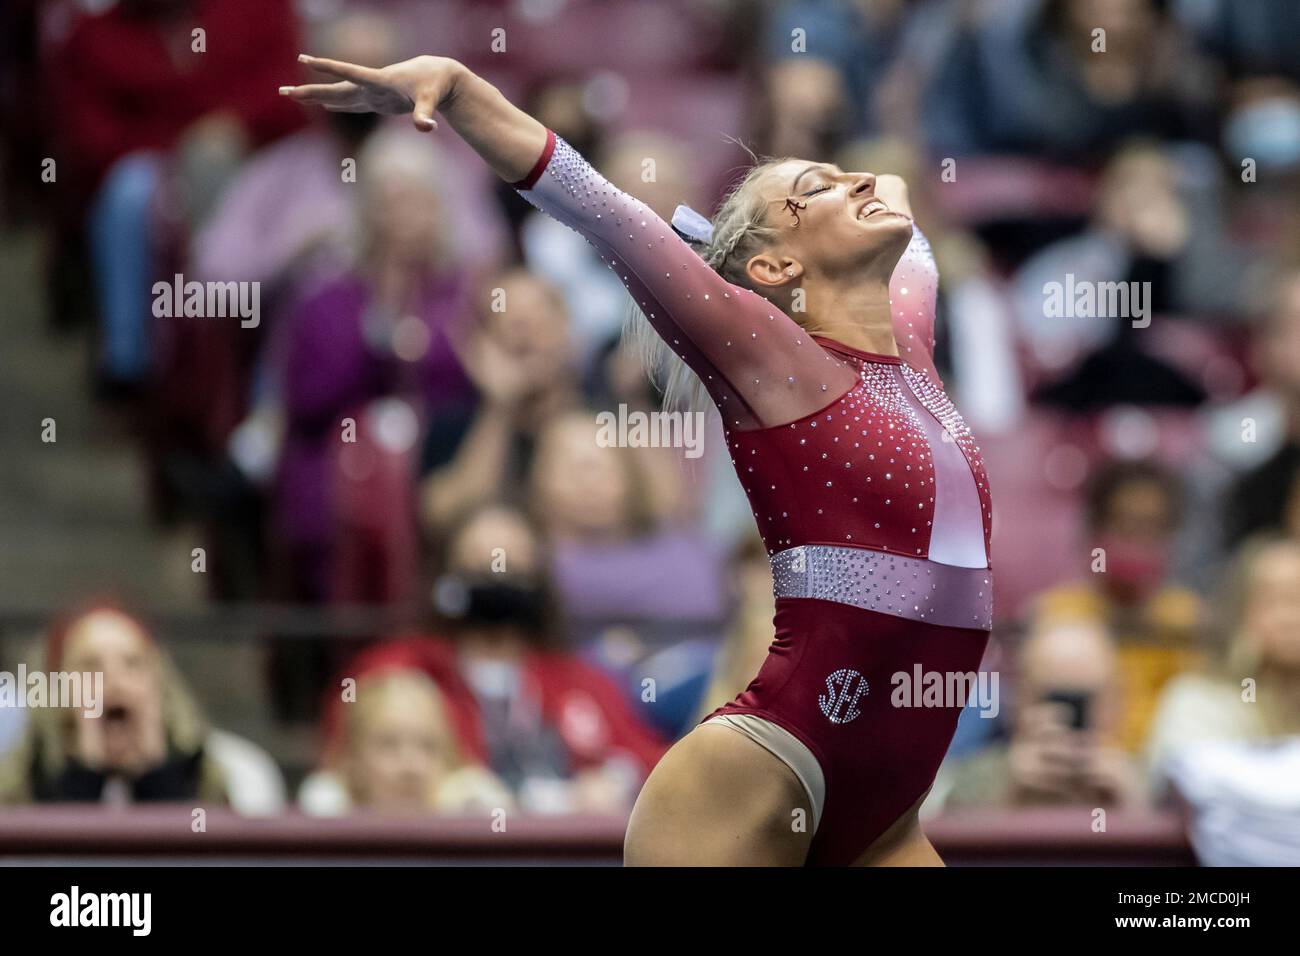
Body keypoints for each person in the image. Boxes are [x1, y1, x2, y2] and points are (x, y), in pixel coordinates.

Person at [280, 49, 994, 866]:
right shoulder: (767, 354)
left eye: (841, 174)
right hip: (769, 759)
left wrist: (816, 181)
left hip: (889, 801)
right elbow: (604, 212)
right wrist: (465, 89)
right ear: (773, 268)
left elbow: (899, 195)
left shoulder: (911, 327)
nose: (859, 184)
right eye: (814, 192)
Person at [0, 602, 284, 813]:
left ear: (160, 681)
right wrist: (87, 773)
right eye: (90, 665)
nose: (113, 681)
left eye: (132, 663)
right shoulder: (25, 772)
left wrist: (156, 773)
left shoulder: (208, 770)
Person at [936, 618, 1144, 810]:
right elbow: (942, 842)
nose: (1069, 718)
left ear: (1117, 702)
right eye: (1056, 699)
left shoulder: (1146, 780)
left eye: (1083, 702)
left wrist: (1134, 806)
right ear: (1019, 701)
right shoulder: (978, 778)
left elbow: (1166, 843)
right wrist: (1005, 798)